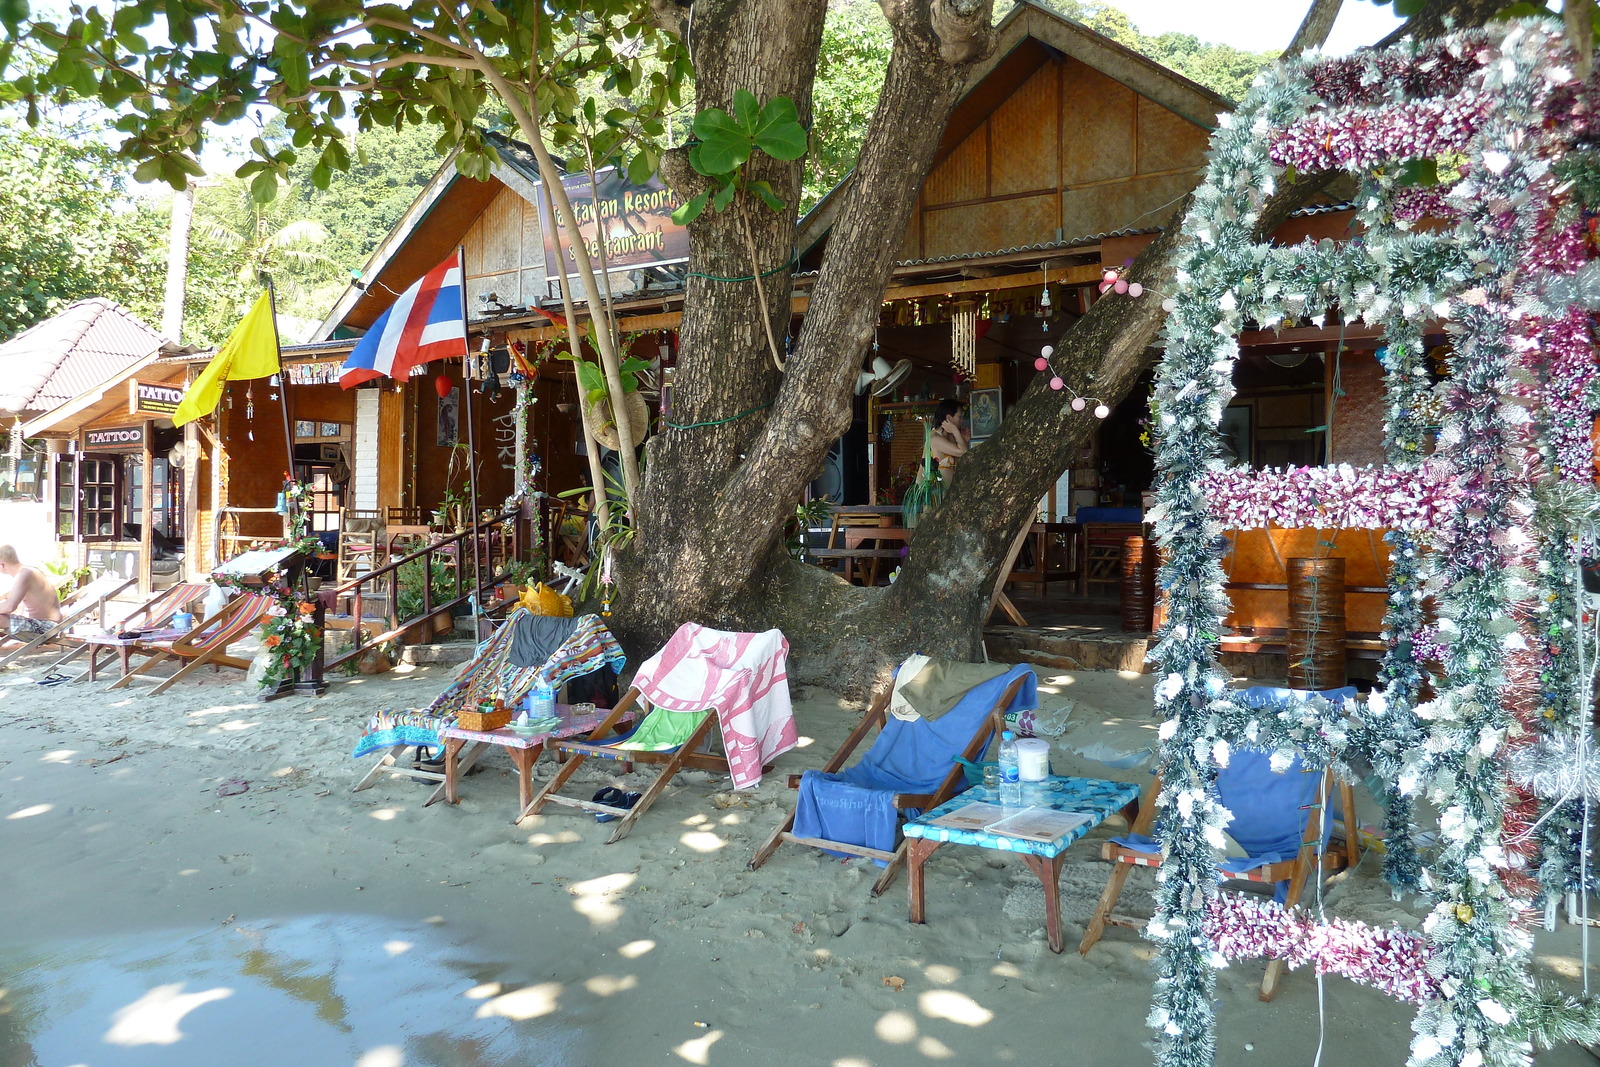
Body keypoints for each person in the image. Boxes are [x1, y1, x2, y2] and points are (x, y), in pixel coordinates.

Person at [0, 545, 62, 645]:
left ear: (2, 564)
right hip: (43, 623)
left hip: (45, 626)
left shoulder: (24, 574)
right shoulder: (29, 571)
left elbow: (10, 606)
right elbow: (8, 599)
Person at [929, 398, 969, 485]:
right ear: (948, 418)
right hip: (942, 494)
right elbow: (963, 452)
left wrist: (964, 440)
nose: (962, 421)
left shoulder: (951, 437)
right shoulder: (936, 439)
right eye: (959, 416)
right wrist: (955, 431)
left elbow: (963, 459)